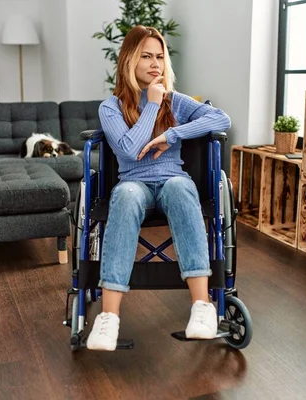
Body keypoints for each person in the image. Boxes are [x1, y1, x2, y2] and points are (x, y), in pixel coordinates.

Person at [86, 25, 231, 351]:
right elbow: (128, 150)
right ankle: (108, 318)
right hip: (133, 183)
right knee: (124, 194)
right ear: (129, 61)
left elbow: (221, 119)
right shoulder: (110, 107)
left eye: (160, 57)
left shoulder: (175, 102)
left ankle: (202, 307)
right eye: (146, 56)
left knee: (182, 188)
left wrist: (173, 135)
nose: (155, 64)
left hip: (172, 180)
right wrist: (151, 104)